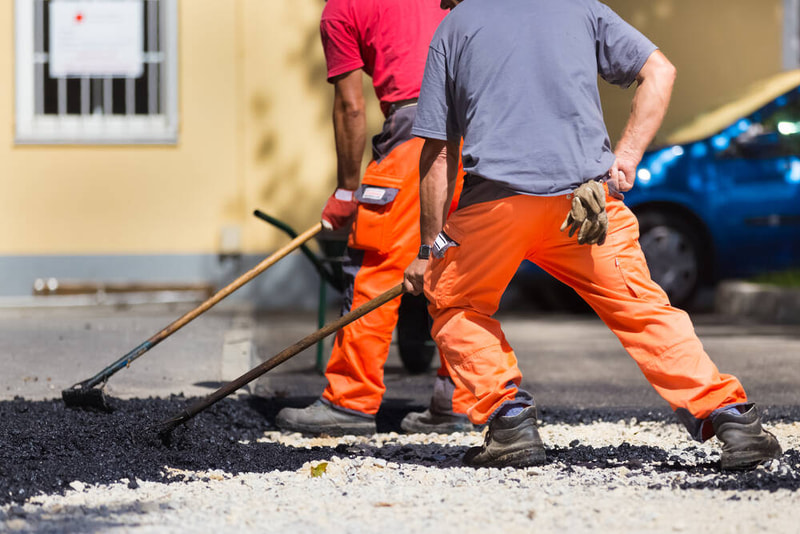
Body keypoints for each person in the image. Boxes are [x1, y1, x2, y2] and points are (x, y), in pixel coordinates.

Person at [403, 0, 782, 470]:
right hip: (587, 206)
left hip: (495, 208)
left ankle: (509, 421)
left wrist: (427, 251)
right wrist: (626, 156)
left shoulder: (454, 27)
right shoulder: (581, 7)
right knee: (644, 312)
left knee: (455, 302)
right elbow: (660, 71)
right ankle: (730, 418)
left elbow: (439, 154)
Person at [275, 0, 472, 436]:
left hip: (416, 133)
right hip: (480, 130)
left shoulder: (341, 9)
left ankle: (349, 401)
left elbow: (350, 108)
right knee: (457, 266)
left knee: (377, 265)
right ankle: (455, 399)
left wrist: (347, 190)